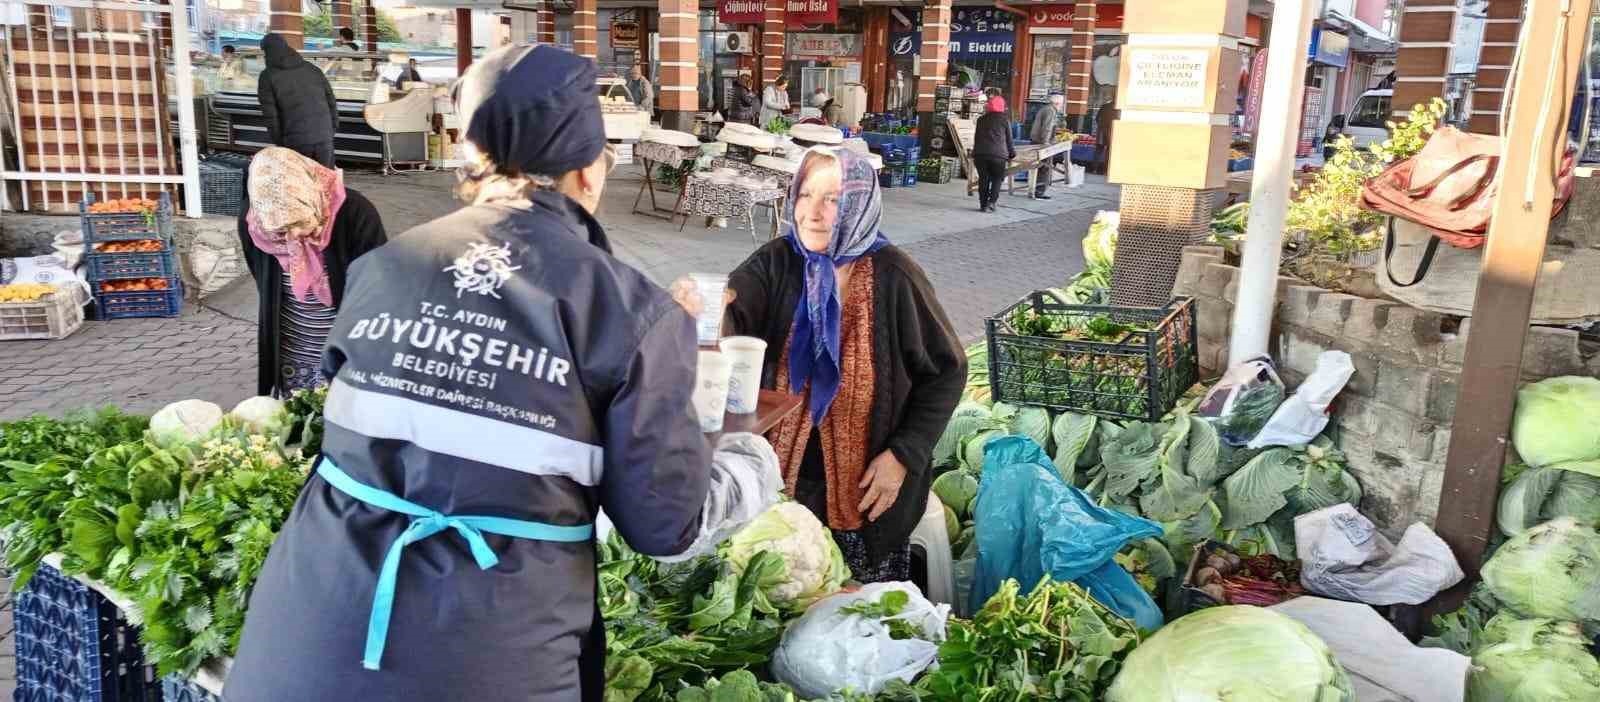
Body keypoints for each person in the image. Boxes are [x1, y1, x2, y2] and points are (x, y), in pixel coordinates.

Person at [225, 45, 782, 702]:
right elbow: (665, 526)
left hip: (300, 640)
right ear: (587, 171)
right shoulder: (630, 313)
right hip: (482, 662)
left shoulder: (383, 268)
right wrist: (750, 467)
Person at [717, 147, 966, 583]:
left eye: (832, 199)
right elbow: (733, 317)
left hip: (867, 485)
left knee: (857, 613)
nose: (812, 212)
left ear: (859, 205)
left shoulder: (895, 276)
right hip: (781, 475)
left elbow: (945, 372)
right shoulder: (777, 262)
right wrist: (708, 308)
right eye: (805, 194)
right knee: (783, 595)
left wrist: (903, 455)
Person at [236, 147, 387, 397]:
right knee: (300, 427)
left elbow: (378, 289)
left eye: (298, 223)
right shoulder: (254, 221)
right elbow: (261, 276)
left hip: (348, 353)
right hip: (292, 352)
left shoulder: (355, 212)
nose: (292, 236)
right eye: (281, 231)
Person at [257, 33, 340, 167]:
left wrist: (280, 142)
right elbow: (331, 101)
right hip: (324, 136)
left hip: (295, 140)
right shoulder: (313, 69)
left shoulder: (267, 76)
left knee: (300, 184)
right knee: (326, 181)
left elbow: (271, 115)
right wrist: (331, 129)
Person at [972, 95, 1014, 213]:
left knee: (983, 179)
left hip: (980, 155)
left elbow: (977, 138)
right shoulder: (1005, 120)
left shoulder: (981, 119)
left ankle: (983, 205)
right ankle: (992, 203)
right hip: (998, 156)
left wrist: (975, 152)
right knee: (997, 178)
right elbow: (1009, 140)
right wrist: (1012, 154)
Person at [1028, 93, 1064, 200]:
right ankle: (1039, 191)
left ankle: (1038, 189)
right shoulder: (1050, 111)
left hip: (1037, 140)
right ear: (1057, 103)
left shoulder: (1046, 109)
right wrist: (1046, 143)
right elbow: (1047, 128)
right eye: (1061, 103)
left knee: (1041, 167)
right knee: (1044, 167)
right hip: (1041, 142)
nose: (1062, 106)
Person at [1094, 98, 1119, 175]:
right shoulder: (1118, 109)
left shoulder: (1104, 106)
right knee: (1108, 152)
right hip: (1110, 132)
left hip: (1102, 131)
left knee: (1098, 151)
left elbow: (1097, 118)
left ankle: (1094, 169)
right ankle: (1106, 171)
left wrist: (1101, 125)